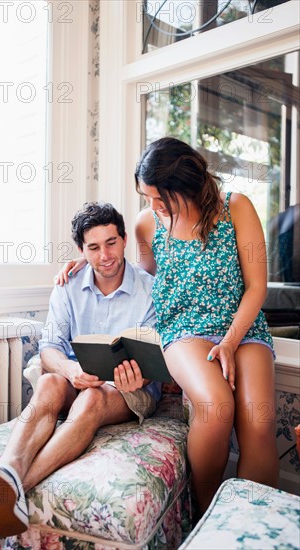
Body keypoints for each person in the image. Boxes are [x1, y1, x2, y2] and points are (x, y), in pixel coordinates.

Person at [56, 137, 279, 516]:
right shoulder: (146, 225)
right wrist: (92, 263)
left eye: (160, 198)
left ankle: (252, 524)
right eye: (146, 197)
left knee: (258, 422)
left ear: (187, 185)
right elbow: (140, 278)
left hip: (242, 329)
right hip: (185, 332)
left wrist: (228, 342)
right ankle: (209, 519)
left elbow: (257, 286)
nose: (153, 206)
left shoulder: (235, 208)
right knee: (214, 406)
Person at [0, 202, 161, 550]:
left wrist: (138, 377)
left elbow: (152, 358)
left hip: (128, 390)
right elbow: (49, 348)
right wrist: (70, 369)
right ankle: (7, 470)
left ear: (125, 239)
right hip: (76, 379)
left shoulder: (149, 290)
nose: (105, 255)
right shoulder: (68, 285)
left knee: (94, 397)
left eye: (111, 243)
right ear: (81, 250)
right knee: (49, 380)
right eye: (94, 247)